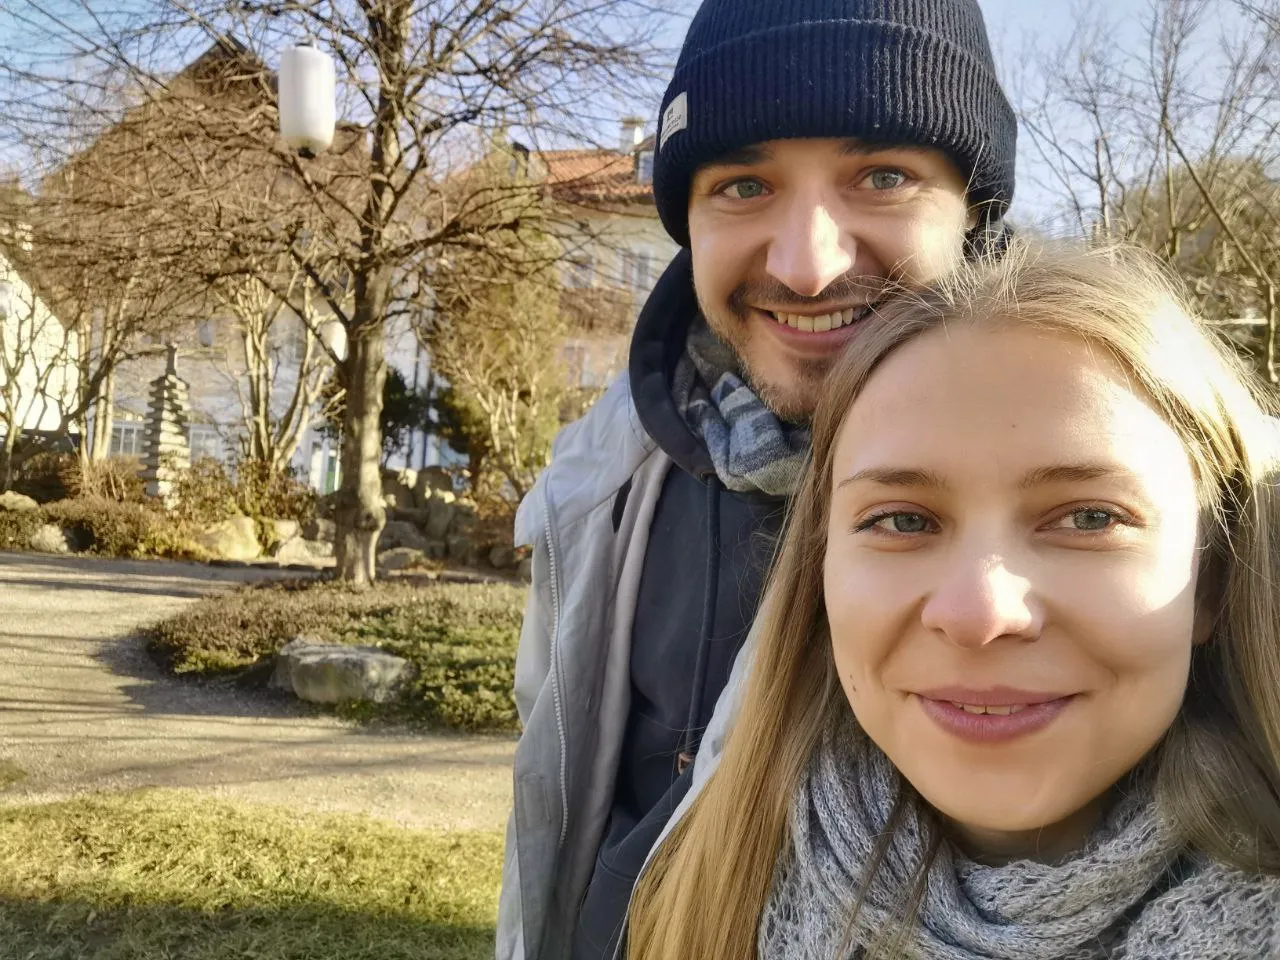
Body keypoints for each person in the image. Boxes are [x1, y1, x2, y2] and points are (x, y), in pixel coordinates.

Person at [496, 1, 1017, 957]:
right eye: (742, 185)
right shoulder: (609, 471)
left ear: (977, 210)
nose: (807, 266)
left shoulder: (1127, 513)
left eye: (884, 176)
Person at [627, 240, 1280, 960]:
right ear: (821, 573)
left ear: (1213, 577)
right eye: (903, 520)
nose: (980, 613)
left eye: (1089, 517)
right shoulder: (704, 894)